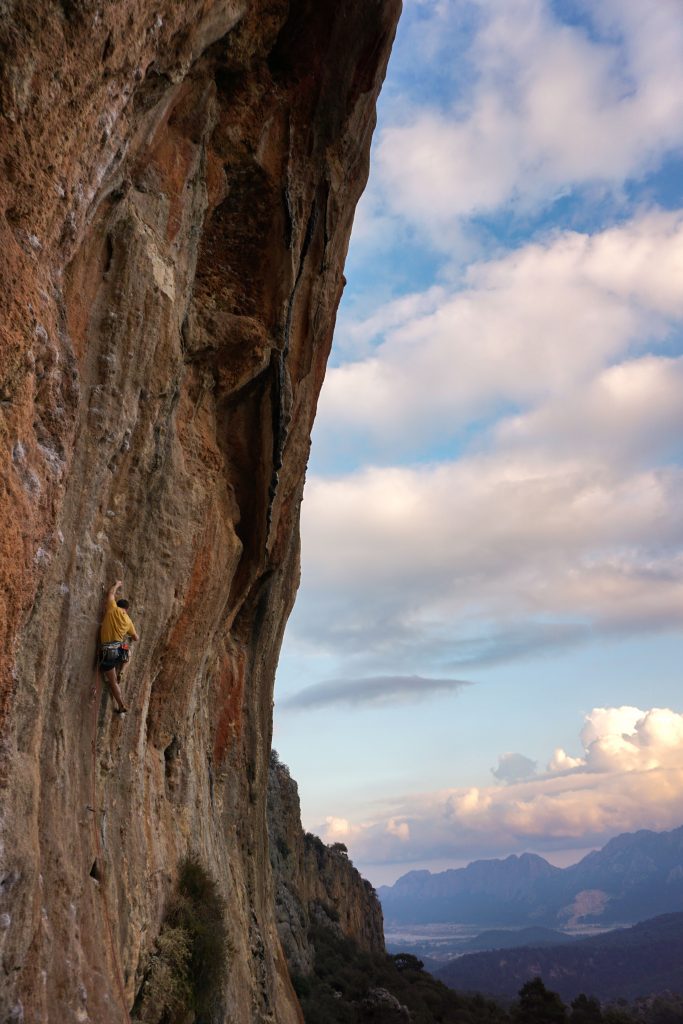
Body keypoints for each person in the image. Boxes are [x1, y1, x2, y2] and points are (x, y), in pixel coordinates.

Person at [99, 579, 139, 714]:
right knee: (129, 653)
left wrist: (117, 584)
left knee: (113, 682)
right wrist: (128, 633)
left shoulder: (112, 608)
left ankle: (121, 705)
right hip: (118, 650)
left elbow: (110, 594)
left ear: (117, 604)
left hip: (107, 652)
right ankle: (122, 670)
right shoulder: (128, 621)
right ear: (126, 610)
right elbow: (136, 638)